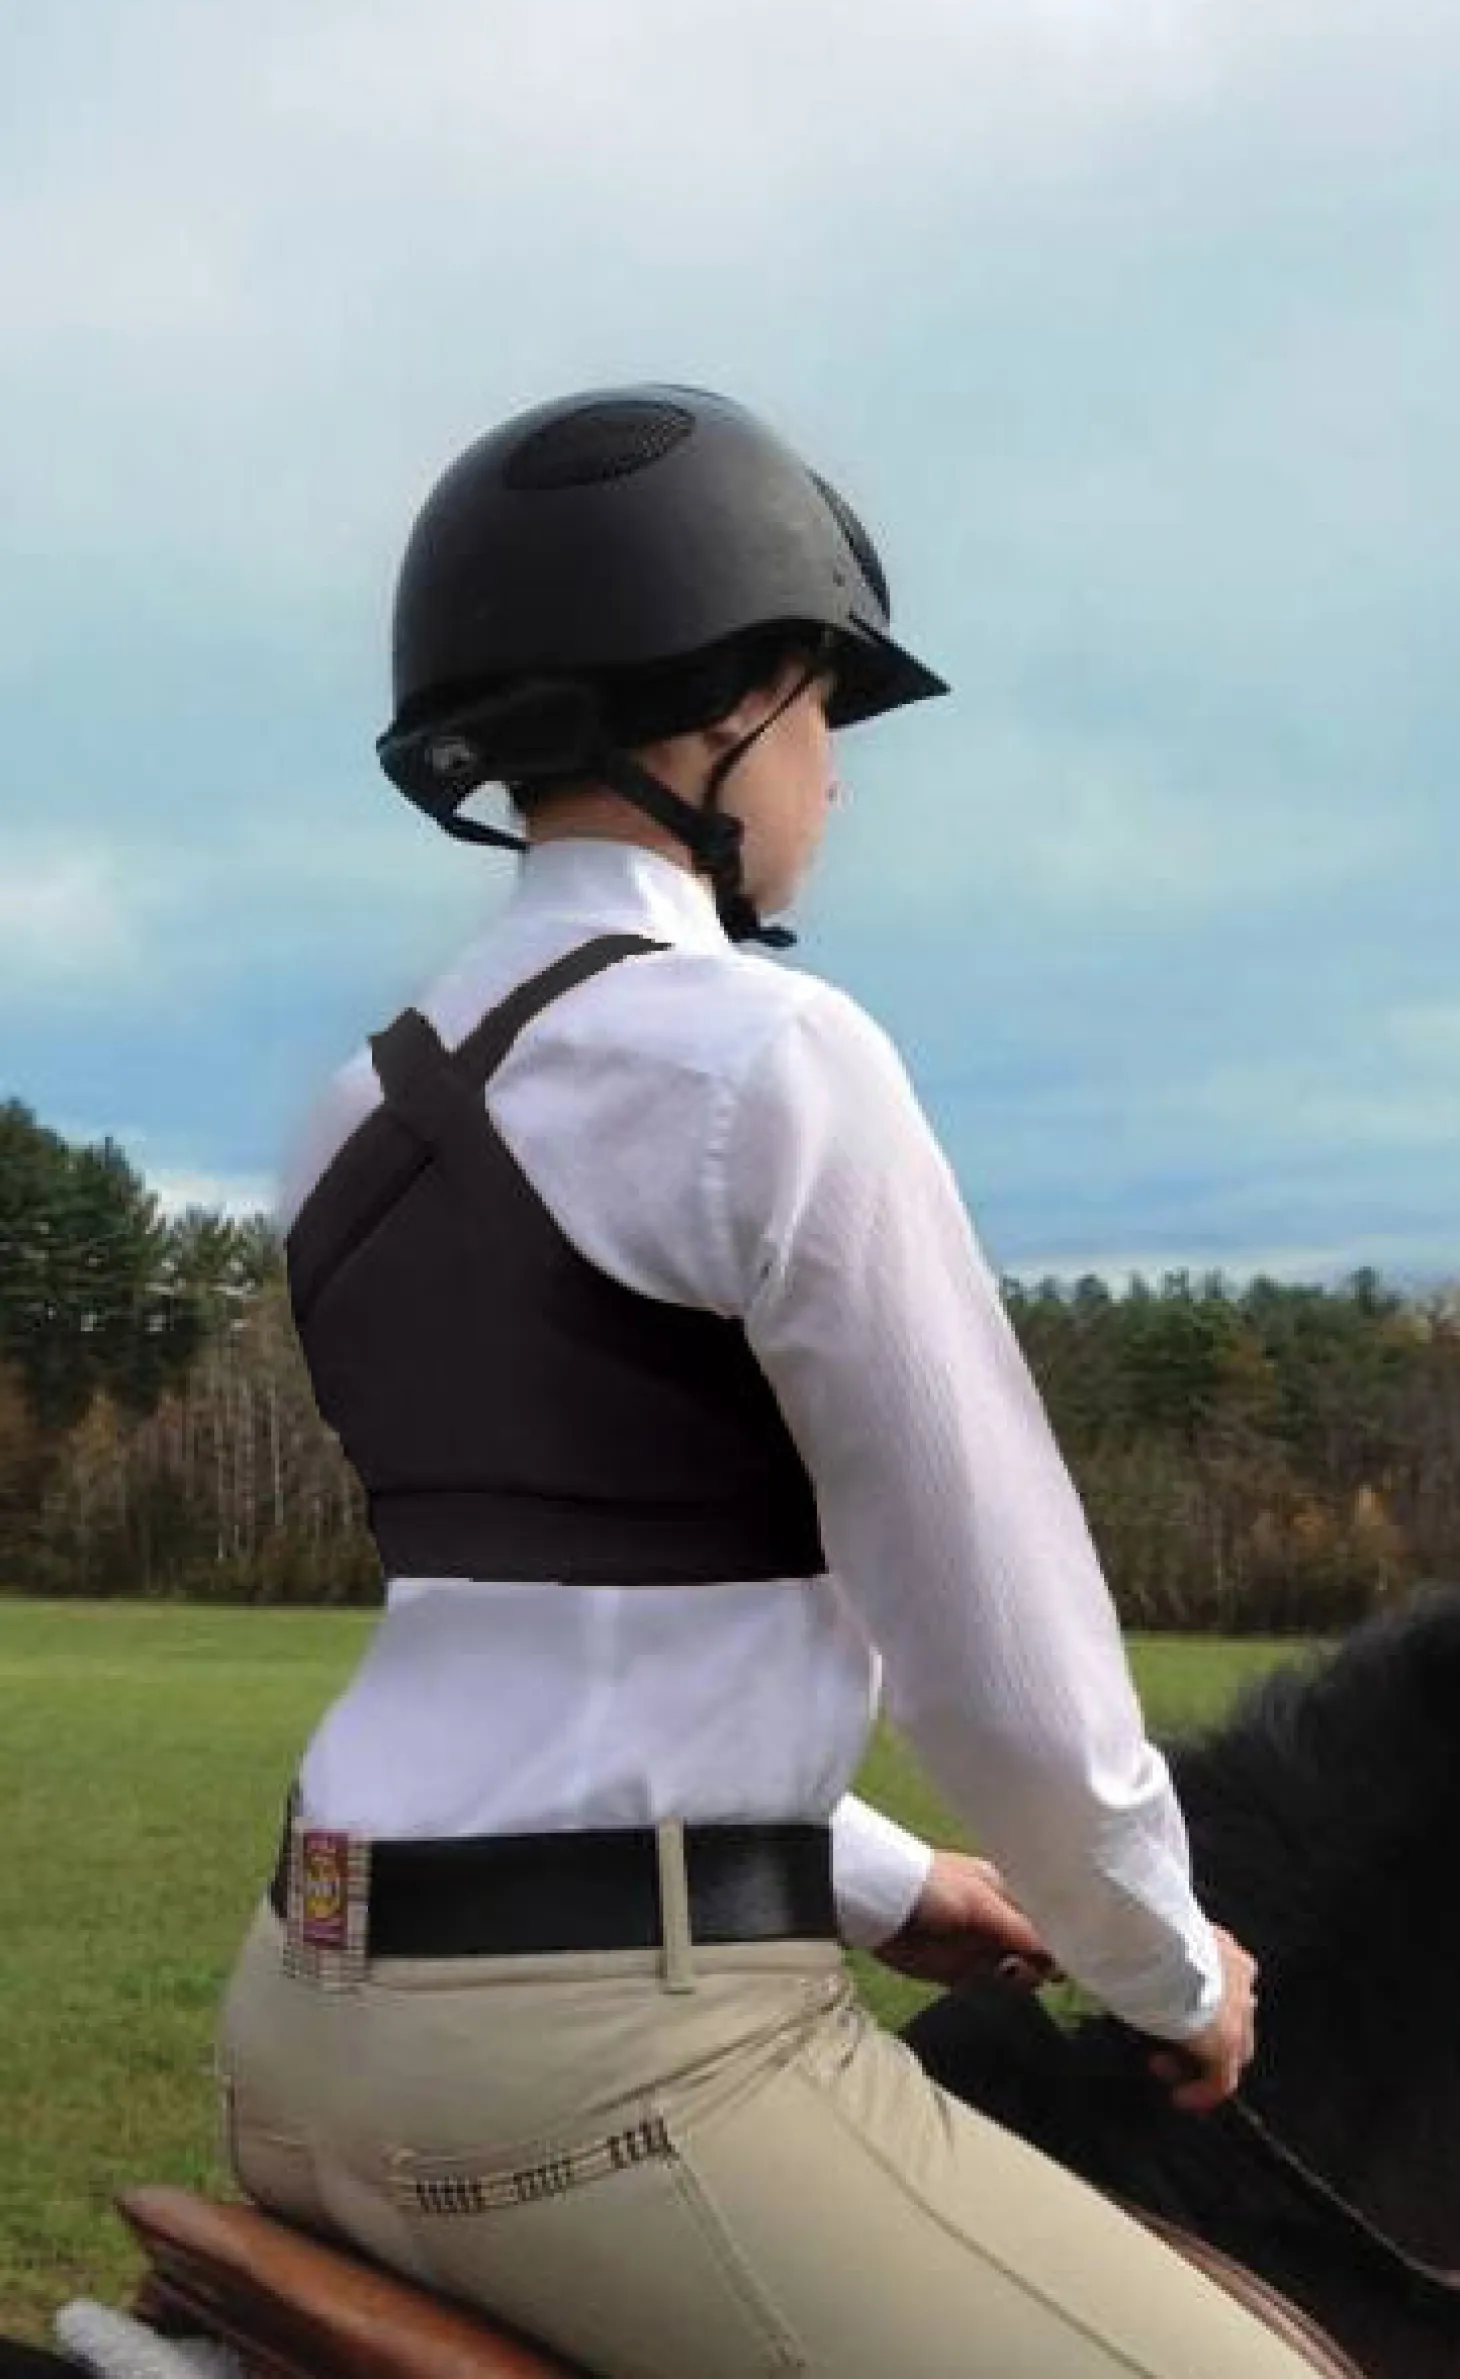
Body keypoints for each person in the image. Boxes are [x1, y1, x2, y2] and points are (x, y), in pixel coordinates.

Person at [218, 384, 1299, 2378]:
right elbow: (1007, 1669)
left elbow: (536, 1634)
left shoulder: (347, 1114)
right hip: (599, 2081)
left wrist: (874, 1877)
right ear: (720, 712)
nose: (834, 778)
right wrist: (1167, 1971)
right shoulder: (774, 1057)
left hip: (296, 2013)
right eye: (823, 709)